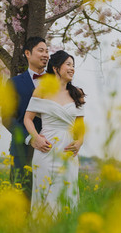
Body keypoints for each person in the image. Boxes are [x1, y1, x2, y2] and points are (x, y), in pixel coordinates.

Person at [23, 50, 86, 214]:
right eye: (68, 64)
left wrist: (79, 142)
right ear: (56, 68)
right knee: (45, 196)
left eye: (74, 66)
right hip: (46, 150)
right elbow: (27, 119)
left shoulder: (77, 93)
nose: (72, 69)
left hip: (68, 153)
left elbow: (80, 127)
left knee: (66, 195)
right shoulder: (42, 91)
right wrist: (36, 138)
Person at [2, 37, 52, 199]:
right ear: (28, 54)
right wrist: (30, 138)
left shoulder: (56, 83)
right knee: (22, 197)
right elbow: (7, 118)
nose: (45, 54)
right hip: (22, 150)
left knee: (49, 198)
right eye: (41, 50)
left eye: (47, 51)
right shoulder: (13, 83)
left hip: (52, 148)